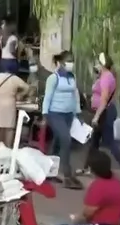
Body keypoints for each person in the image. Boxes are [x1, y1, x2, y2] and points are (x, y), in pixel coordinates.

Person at [50, 150, 120, 225]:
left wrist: (75, 221)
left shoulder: (99, 186)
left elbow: (87, 214)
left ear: (91, 168)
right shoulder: (114, 178)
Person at [42, 51, 83, 190]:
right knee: (66, 139)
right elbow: (47, 97)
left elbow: (75, 95)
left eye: (72, 60)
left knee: (58, 142)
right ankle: (67, 174)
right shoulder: (53, 78)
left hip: (68, 114)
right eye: (68, 61)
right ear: (61, 63)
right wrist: (45, 114)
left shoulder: (72, 77)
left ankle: (48, 168)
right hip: (55, 114)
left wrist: (77, 113)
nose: (71, 63)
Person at [86, 52, 120, 172]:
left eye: (98, 63)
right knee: (94, 141)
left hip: (104, 112)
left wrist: (96, 117)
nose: (96, 65)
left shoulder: (106, 77)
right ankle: (88, 167)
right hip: (104, 111)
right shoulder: (106, 76)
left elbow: (104, 100)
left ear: (102, 65)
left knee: (109, 140)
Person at [0, 66, 28, 146]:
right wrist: (20, 94)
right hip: (10, 104)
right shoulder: (15, 78)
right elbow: (27, 88)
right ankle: (8, 147)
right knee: (9, 127)